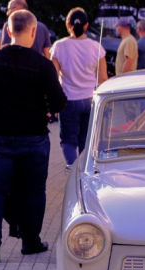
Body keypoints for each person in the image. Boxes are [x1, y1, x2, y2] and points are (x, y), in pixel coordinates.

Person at [0, 10, 67, 264]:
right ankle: (30, 240)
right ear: (34, 32)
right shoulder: (42, 65)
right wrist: (44, 106)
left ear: (9, 31)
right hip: (34, 137)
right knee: (34, 190)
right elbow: (58, 102)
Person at [50, 8, 107, 168]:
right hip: (90, 100)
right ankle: (83, 170)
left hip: (68, 100)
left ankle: (71, 167)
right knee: (85, 140)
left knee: (68, 140)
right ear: (87, 25)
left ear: (68, 25)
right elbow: (103, 78)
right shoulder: (97, 47)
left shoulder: (58, 46)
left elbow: (54, 77)